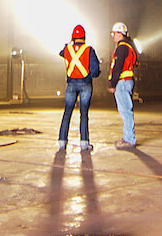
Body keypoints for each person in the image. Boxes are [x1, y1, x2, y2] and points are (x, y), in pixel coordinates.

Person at [57, 24, 100, 151]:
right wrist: (89, 76)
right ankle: (84, 142)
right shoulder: (89, 50)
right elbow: (95, 70)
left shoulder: (67, 49)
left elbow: (61, 53)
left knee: (67, 112)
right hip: (85, 84)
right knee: (84, 113)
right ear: (84, 36)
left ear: (73, 37)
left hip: (70, 84)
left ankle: (62, 141)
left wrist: (70, 44)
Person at [107, 21, 137, 150]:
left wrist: (113, 83)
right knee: (125, 110)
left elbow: (118, 67)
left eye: (114, 33)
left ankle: (129, 139)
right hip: (127, 81)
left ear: (120, 34)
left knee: (125, 111)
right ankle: (127, 137)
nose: (113, 36)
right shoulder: (128, 47)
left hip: (122, 82)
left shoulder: (121, 48)